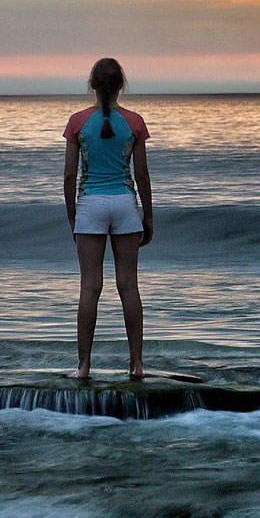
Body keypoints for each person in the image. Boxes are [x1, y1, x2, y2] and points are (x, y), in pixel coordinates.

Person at [63, 58, 153, 380]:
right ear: (121, 85)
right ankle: (137, 364)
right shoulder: (134, 122)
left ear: (92, 85)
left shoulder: (77, 122)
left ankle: (84, 366)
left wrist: (73, 216)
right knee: (129, 287)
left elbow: (71, 174)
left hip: (90, 203)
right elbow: (140, 174)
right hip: (125, 203)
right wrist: (148, 215)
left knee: (90, 288)